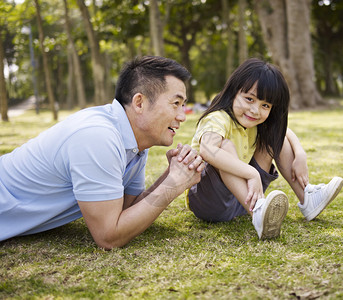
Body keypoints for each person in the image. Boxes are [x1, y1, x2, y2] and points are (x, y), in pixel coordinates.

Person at [0, 56, 205, 249]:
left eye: (184, 105)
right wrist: (174, 184)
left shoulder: (135, 144)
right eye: (175, 103)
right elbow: (108, 236)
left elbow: (127, 211)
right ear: (139, 103)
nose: (182, 116)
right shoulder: (98, 136)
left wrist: (170, 175)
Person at [187, 58, 343, 240]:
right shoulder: (218, 118)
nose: (255, 110)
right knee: (225, 145)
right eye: (249, 99)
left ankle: (307, 197)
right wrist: (251, 173)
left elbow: (284, 131)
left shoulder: (255, 121)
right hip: (208, 203)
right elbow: (209, 150)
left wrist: (300, 154)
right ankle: (259, 214)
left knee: (276, 138)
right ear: (233, 92)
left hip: (242, 200)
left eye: (265, 105)